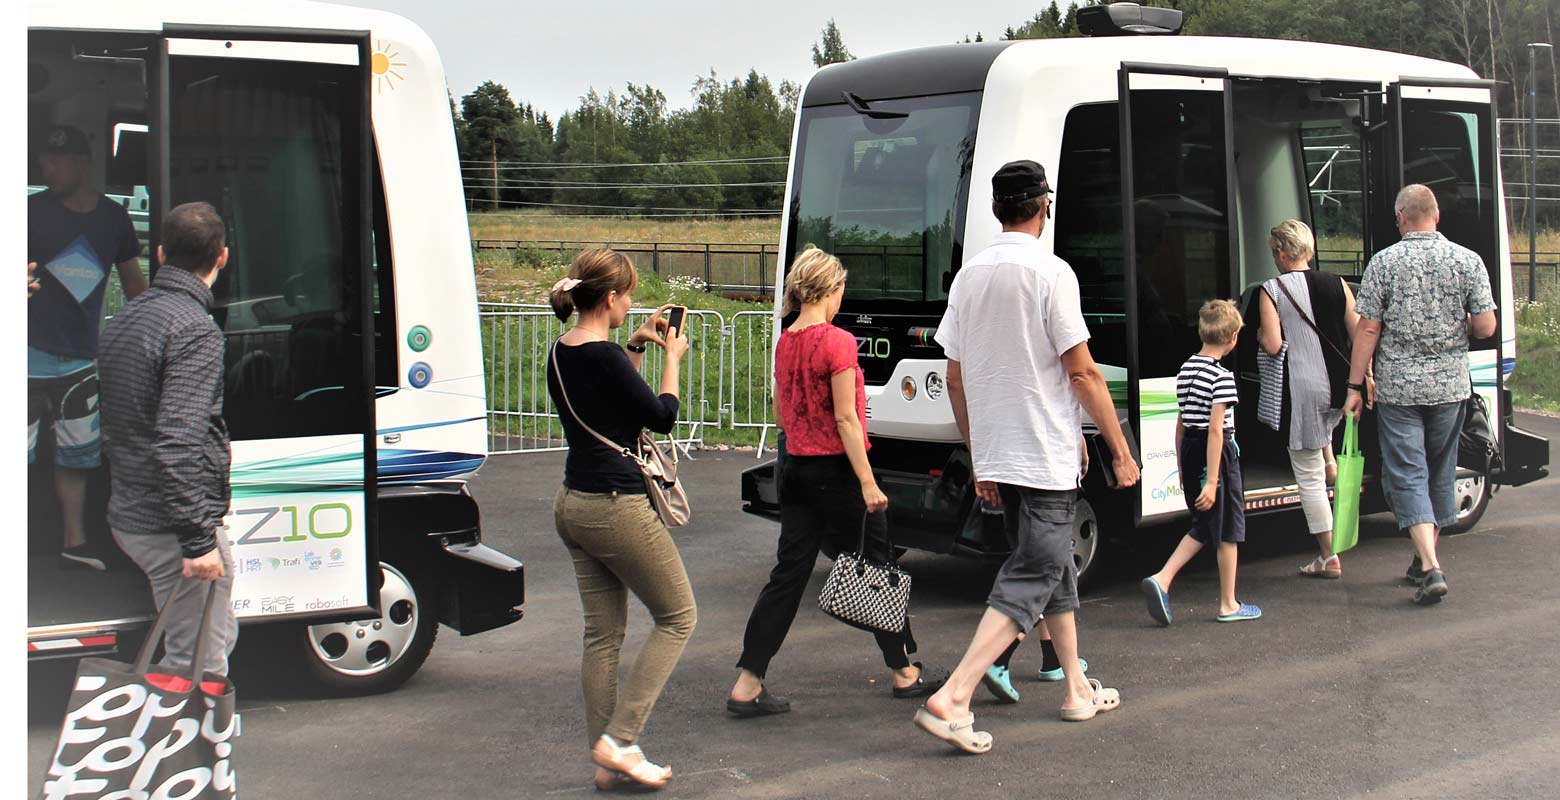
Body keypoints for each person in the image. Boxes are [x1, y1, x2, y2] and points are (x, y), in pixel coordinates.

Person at [914, 160, 1140, 754]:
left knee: (1053, 566)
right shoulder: (1052, 272)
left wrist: (979, 454)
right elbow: (1082, 370)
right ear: (1047, 206)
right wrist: (1117, 447)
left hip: (1000, 454)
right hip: (1042, 455)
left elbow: (955, 379)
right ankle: (954, 696)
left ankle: (1075, 689)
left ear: (996, 210)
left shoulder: (969, 276)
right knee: (1037, 569)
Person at [729, 247, 945, 720]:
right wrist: (868, 483)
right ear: (831, 289)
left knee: (788, 575)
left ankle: (748, 680)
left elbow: (781, 410)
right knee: (879, 563)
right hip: (838, 472)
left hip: (796, 469)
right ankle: (904, 672)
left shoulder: (787, 339)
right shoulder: (839, 342)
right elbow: (848, 419)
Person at [546, 248, 697, 792]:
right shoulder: (603, 358)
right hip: (615, 505)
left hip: (574, 503)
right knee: (678, 617)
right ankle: (621, 740)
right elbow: (660, 416)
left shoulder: (563, 350)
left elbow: (613, 405)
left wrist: (635, 341)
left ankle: (606, 761)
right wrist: (672, 356)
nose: (632, 303)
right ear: (610, 298)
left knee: (602, 636)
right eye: (628, 295)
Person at [98, 201, 235, 677]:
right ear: (222, 257)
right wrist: (198, 542)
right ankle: (187, 750)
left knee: (209, 634)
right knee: (197, 660)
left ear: (159, 254)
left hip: (132, 508)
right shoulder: (195, 330)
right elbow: (178, 441)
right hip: (168, 524)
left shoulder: (128, 320)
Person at [1343, 184, 1496, 606]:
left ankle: (1429, 567)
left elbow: (1368, 328)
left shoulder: (1384, 263)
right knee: (1439, 470)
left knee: (1407, 472)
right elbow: (1485, 327)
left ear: (1401, 218)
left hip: (1399, 389)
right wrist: (1454, 327)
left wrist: (1355, 386)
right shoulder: (1468, 260)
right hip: (1450, 387)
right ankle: (1422, 556)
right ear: (1436, 215)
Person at [28, 124, 148, 570]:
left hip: (81, 357)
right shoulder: (27, 211)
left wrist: (154, 331)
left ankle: (73, 544)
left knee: (75, 456)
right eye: (43, 160)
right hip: (23, 354)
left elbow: (134, 283)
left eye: (56, 161)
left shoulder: (114, 218)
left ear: (82, 163)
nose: (47, 168)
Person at [1141, 300, 1262, 625]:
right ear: (1233, 337)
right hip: (1216, 458)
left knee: (1205, 525)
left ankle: (1163, 578)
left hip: (1191, 453)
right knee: (1227, 530)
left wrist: (1183, 468)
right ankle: (1228, 603)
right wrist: (1212, 480)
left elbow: (1181, 423)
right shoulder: (1222, 377)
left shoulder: (1186, 369)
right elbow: (1216, 430)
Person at [1256, 220, 1365, 579]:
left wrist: (1259, 334)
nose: (1274, 257)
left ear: (1283, 253)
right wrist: (1365, 378)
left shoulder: (1271, 290)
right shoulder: (1338, 284)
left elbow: (1273, 345)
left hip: (1301, 387)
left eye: (1274, 251)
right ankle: (1331, 463)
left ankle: (1328, 555)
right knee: (1325, 436)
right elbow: (1359, 331)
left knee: (1308, 478)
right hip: (1339, 383)